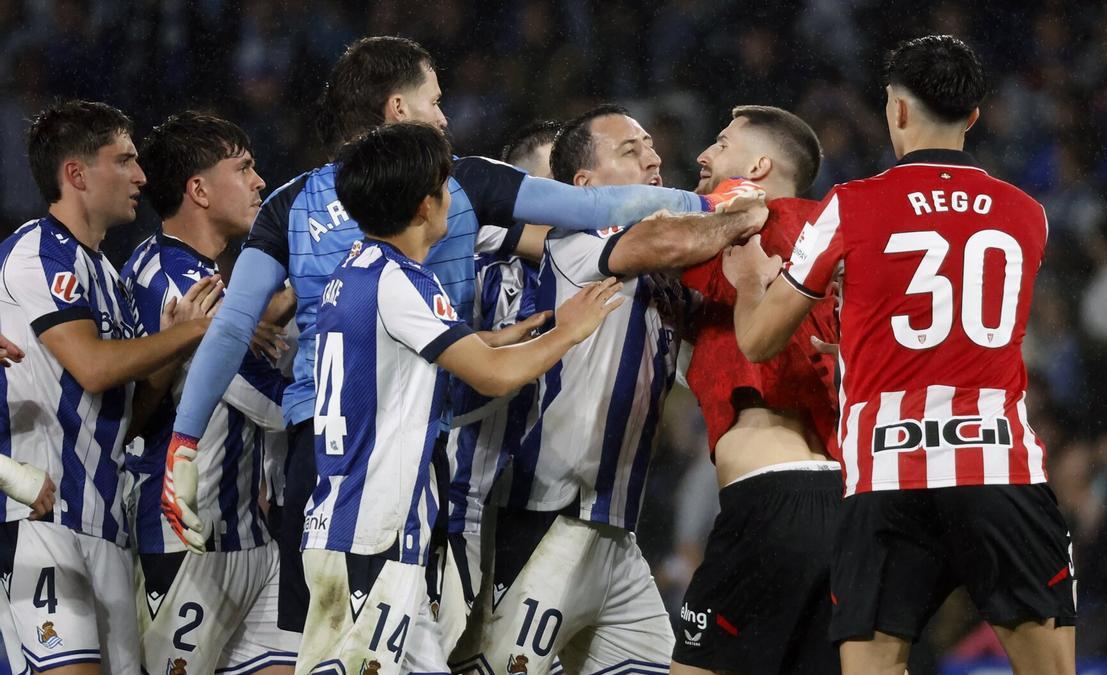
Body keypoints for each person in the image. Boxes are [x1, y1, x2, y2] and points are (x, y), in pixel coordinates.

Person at [164, 36, 748, 637]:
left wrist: (183, 441)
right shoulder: (451, 190)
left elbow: (233, 326)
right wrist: (705, 202)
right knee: (388, 643)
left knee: (326, 644)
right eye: (434, 100)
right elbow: (597, 207)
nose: (445, 116)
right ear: (398, 109)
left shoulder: (292, 204)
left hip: (319, 451)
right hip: (409, 450)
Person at [724, 35, 1076, 675]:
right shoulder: (1029, 216)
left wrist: (749, 278)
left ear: (898, 111)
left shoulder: (850, 208)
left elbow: (759, 340)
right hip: (997, 470)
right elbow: (956, 319)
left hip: (889, 477)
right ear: (973, 116)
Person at [296, 121, 624, 672]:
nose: (456, 199)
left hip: (351, 521)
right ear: (426, 205)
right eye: (447, 186)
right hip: (372, 532)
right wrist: (568, 330)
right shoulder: (402, 280)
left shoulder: (354, 270)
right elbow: (491, 375)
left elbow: (423, 353)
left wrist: (497, 338)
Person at [472, 104, 768, 675]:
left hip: (613, 530)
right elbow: (670, 240)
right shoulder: (575, 242)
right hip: (543, 517)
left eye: (652, 147)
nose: (654, 159)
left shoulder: (658, 271)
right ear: (582, 186)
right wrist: (743, 211)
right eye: (630, 152)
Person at [0, 100, 219, 674]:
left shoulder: (111, 280)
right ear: (76, 174)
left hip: (106, 528)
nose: (140, 177)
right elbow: (92, 367)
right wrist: (191, 333)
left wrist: (172, 349)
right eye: (123, 161)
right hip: (40, 518)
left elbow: (129, 416)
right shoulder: (36, 254)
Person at [122, 111, 298, 674]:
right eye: (243, 168)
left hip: (251, 539)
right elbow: (253, 393)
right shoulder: (169, 278)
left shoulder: (222, 286)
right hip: (181, 539)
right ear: (198, 189)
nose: (260, 182)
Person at [670, 105, 843, 675]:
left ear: (759, 166)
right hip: (842, 502)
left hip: (769, 502)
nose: (703, 155)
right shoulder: (838, 243)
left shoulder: (747, 223)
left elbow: (647, 243)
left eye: (721, 143)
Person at [440, 120, 559, 659]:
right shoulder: (472, 259)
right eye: (557, 189)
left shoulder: (573, 266)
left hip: (514, 503)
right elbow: (476, 381)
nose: (579, 203)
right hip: (451, 498)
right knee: (441, 648)